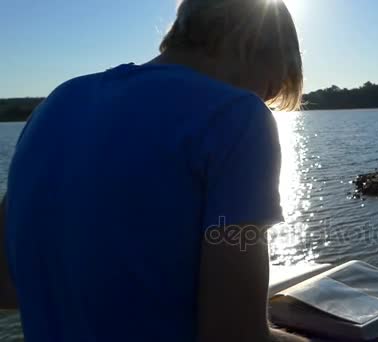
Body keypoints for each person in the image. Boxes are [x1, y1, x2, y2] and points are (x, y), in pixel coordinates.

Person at [0, 0, 306, 341]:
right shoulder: (235, 114)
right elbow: (234, 334)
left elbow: (6, 287)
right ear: (249, 43)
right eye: (268, 90)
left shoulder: (57, 103)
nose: (261, 102)